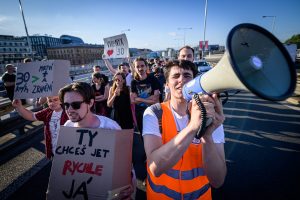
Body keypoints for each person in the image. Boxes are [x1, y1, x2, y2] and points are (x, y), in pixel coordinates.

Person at [142, 60, 227, 199]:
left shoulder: (211, 116)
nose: (181, 80)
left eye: (187, 76)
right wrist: (193, 127)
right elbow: (155, 168)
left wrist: (207, 136)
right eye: (175, 76)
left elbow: (217, 181)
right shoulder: (154, 113)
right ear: (167, 85)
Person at [58, 82, 135, 198]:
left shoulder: (110, 127)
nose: (69, 110)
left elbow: (126, 165)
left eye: (75, 105)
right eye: (66, 105)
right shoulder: (68, 126)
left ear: (90, 103)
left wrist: (129, 186)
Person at [130, 57, 160, 135]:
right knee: (142, 133)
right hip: (139, 113)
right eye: (137, 66)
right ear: (135, 68)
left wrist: (139, 99)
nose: (140, 68)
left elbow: (155, 100)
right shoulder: (133, 82)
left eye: (142, 66)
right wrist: (149, 99)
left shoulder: (153, 79)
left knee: (154, 133)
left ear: (146, 66)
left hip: (152, 111)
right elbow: (133, 100)